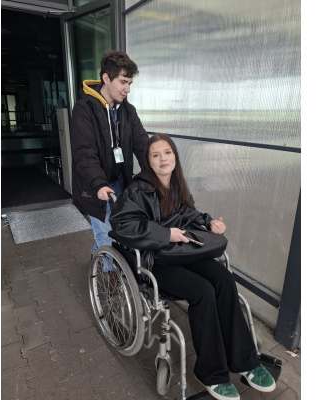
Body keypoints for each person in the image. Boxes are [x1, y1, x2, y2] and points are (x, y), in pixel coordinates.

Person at [109, 134, 276, 400]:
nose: (163, 159)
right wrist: (165, 235)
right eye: (155, 155)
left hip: (183, 251)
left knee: (224, 280)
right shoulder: (137, 191)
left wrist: (209, 222)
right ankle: (212, 374)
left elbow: (189, 213)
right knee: (203, 291)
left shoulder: (178, 185)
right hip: (156, 260)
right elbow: (122, 224)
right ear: (148, 162)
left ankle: (246, 361)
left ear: (175, 156)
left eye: (167, 153)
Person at [70, 51, 149, 269]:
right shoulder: (84, 109)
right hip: (95, 185)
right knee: (105, 234)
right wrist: (98, 183)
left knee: (121, 230)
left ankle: (99, 253)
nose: (127, 89)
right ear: (106, 78)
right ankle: (110, 281)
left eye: (130, 83)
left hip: (121, 182)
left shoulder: (128, 111)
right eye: (123, 82)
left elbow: (142, 144)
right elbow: (84, 152)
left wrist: (157, 172)